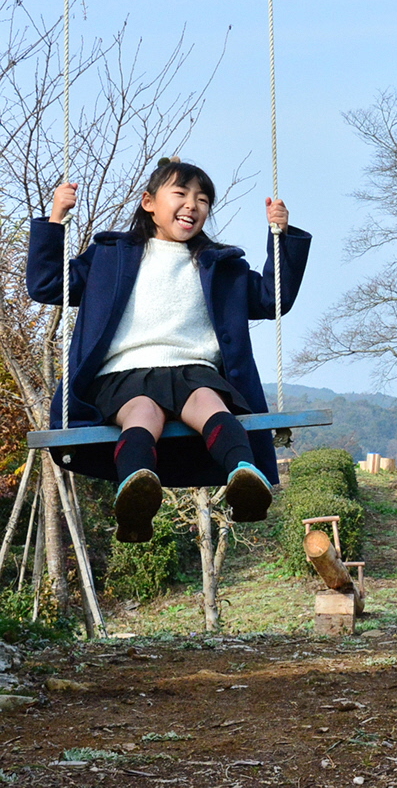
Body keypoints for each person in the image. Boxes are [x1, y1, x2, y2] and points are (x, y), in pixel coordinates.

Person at [26, 158, 311, 543]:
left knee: (212, 405)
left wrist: (280, 237)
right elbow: (47, 284)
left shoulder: (220, 265)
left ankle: (244, 478)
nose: (192, 205)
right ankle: (136, 493)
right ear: (149, 202)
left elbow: (272, 298)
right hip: (125, 371)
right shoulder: (111, 256)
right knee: (142, 414)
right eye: (180, 193)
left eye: (203, 199)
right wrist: (56, 217)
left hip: (194, 370)